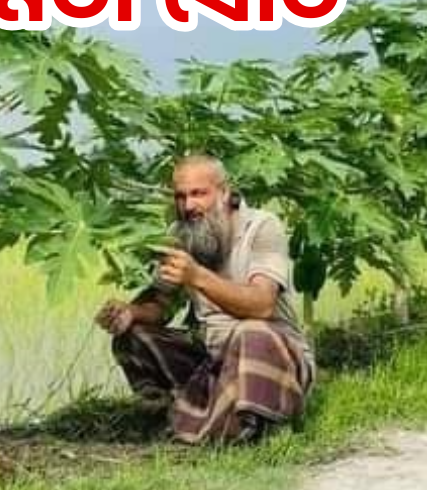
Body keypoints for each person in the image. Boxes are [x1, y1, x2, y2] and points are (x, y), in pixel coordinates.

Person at [94, 154, 316, 444]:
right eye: (181, 196)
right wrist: (130, 313)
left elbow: (262, 304)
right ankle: (173, 414)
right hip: (215, 360)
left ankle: (249, 425)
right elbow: (160, 306)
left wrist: (196, 276)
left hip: (275, 355)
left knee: (251, 332)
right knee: (133, 336)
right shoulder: (180, 233)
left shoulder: (261, 227)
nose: (188, 206)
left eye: (199, 194)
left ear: (224, 192)